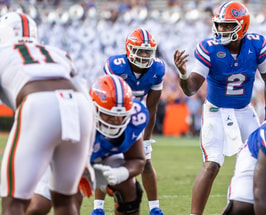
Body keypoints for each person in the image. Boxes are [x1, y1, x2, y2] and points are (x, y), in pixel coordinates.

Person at [173, 1, 266, 214]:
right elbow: (191, 89)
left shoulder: (256, 45)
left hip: (244, 110)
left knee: (262, 162)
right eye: (219, 25)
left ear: (242, 26)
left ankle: (245, 209)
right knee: (212, 164)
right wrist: (183, 74)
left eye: (228, 26)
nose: (221, 30)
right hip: (216, 111)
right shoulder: (208, 48)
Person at [0, 12, 96, 215]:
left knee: (14, 202)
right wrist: (86, 158)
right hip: (78, 107)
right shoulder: (58, 53)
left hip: (38, 103)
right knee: (65, 200)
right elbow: (87, 99)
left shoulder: (3, 53)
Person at [26, 74, 149, 215]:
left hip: (103, 156)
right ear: (94, 109)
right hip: (65, 159)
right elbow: (68, 167)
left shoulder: (135, 118)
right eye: (108, 114)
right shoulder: (76, 119)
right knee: (39, 206)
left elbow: (138, 160)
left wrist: (121, 173)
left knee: (129, 186)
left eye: (121, 116)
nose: (116, 120)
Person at [97, 27, 165, 215]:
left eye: (147, 51)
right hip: (114, 115)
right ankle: (98, 208)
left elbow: (152, 106)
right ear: (129, 50)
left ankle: (155, 208)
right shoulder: (116, 65)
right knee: (103, 160)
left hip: (136, 117)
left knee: (146, 160)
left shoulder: (157, 69)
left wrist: (147, 138)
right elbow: (108, 96)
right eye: (140, 51)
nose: (144, 55)